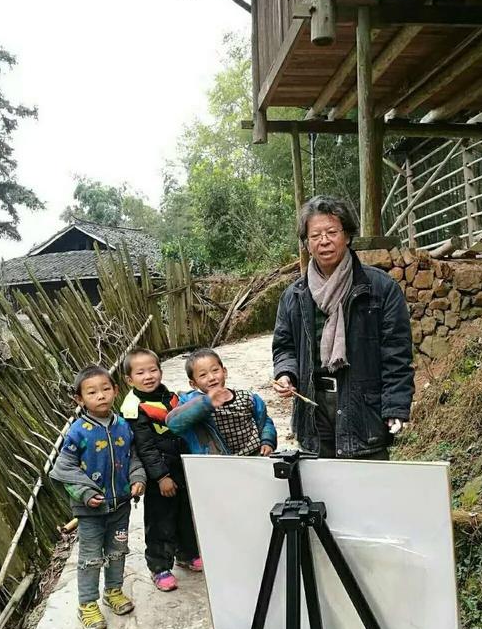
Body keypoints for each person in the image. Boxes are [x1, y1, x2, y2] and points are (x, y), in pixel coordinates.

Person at [272, 195, 414, 460]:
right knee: (324, 496)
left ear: (347, 236)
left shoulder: (379, 289)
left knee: (368, 494)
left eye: (331, 232)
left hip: (364, 410)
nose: (324, 241)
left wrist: (395, 406)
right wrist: (286, 374)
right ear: (307, 244)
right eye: (315, 235)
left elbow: (396, 354)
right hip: (315, 411)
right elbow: (285, 346)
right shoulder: (294, 296)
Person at [50, 364, 146, 629]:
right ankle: (87, 605)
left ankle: (113, 592)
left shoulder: (123, 428)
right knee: (90, 558)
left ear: (116, 390)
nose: (100, 395)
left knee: (117, 552)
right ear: (80, 400)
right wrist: (86, 492)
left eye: (106, 389)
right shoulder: (78, 432)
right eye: (92, 392)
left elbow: (133, 458)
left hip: (120, 507)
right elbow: (63, 469)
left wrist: (138, 479)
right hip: (90, 512)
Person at [121, 348, 201, 593]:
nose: (148, 376)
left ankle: (186, 553)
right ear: (129, 379)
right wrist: (161, 477)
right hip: (159, 474)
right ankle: (159, 566)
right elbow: (144, 447)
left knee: (185, 514)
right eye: (140, 372)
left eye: (153, 370)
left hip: (180, 466)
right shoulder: (134, 407)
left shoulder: (168, 396)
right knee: (160, 520)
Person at [165, 348, 277, 456]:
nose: (211, 377)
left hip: (255, 454)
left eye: (215, 370)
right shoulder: (194, 404)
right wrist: (206, 403)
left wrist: (267, 440)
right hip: (219, 463)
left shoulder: (247, 397)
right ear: (193, 384)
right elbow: (173, 424)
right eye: (203, 375)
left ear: (224, 372)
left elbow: (264, 420)